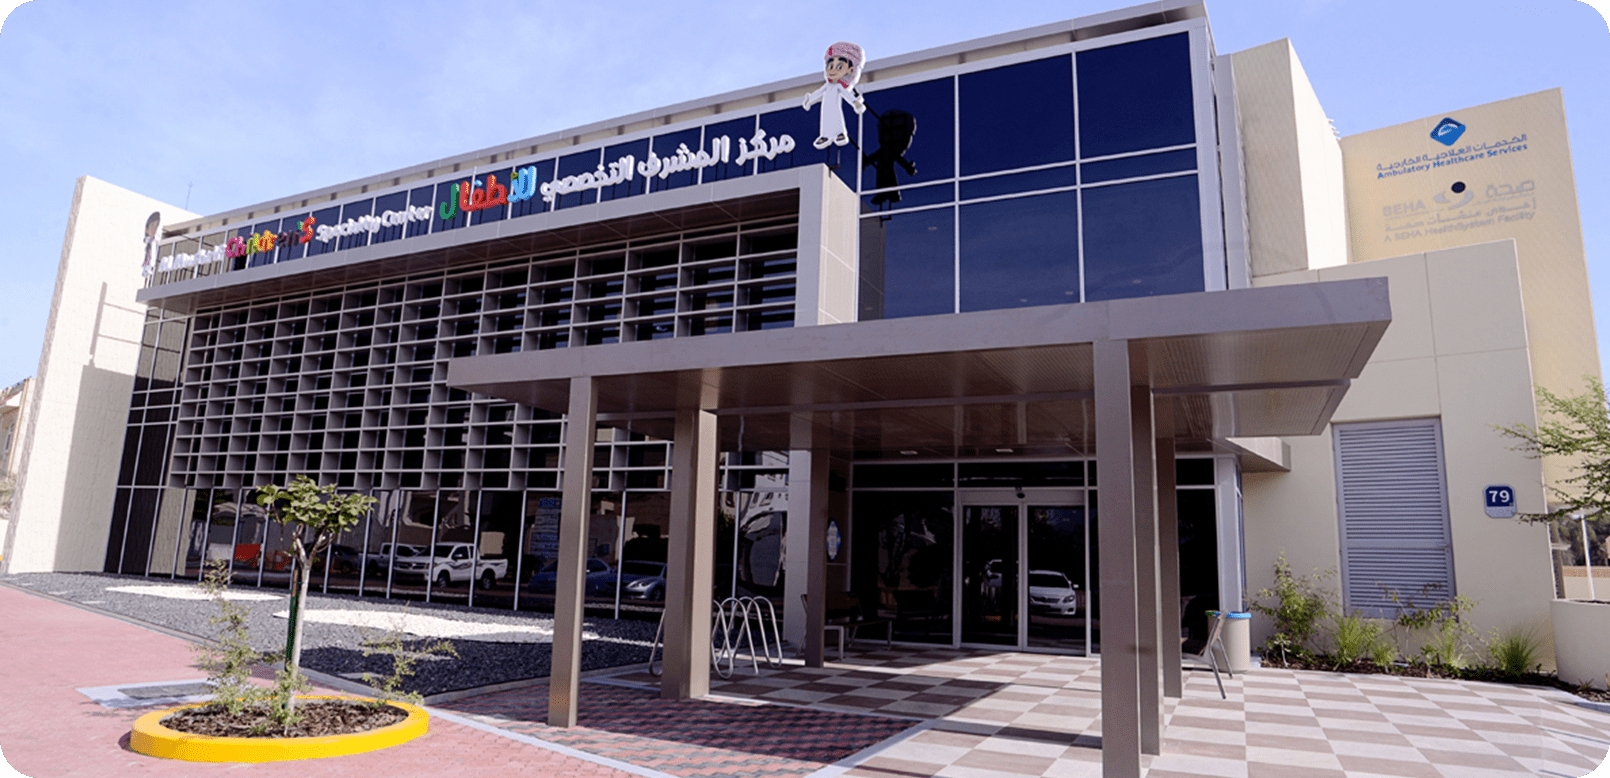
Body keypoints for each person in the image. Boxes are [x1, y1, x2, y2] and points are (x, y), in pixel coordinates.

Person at [803, 41, 866, 150]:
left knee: (837, 118)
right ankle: (825, 135)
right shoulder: (827, 86)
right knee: (825, 119)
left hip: (835, 107)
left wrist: (855, 102)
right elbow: (818, 92)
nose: (833, 70)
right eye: (830, 66)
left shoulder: (838, 86)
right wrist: (810, 100)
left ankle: (840, 133)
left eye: (840, 66)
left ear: (850, 70)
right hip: (825, 107)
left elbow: (847, 94)